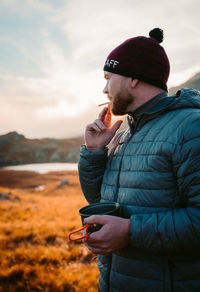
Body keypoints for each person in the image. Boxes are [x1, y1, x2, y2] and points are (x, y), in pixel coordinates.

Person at [78, 28, 200, 292]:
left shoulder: (191, 129)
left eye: (108, 78)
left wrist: (131, 231)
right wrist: (94, 152)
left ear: (133, 78)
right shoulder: (126, 134)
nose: (104, 88)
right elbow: (100, 203)